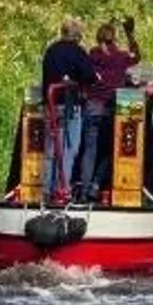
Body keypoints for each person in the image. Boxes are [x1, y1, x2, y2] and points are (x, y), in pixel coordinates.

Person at [79, 16, 142, 201]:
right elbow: (137, 56)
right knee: (110, 150)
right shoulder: (121, 56)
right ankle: (96, 184)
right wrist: (130, 34)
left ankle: (83, 192)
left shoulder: (92, 54)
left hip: (91, 107)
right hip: (110, 108)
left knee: (89, 150)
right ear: (114, 38)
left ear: (98, 37)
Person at [39, 18, 98, 205]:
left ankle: (46, 191)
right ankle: (62, 191)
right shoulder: (78, 52)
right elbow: (90, 76)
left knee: (50, 150)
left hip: (50, 106)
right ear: (77, 35)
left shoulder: (50, 51)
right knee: (69, 149)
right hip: (70, 106)